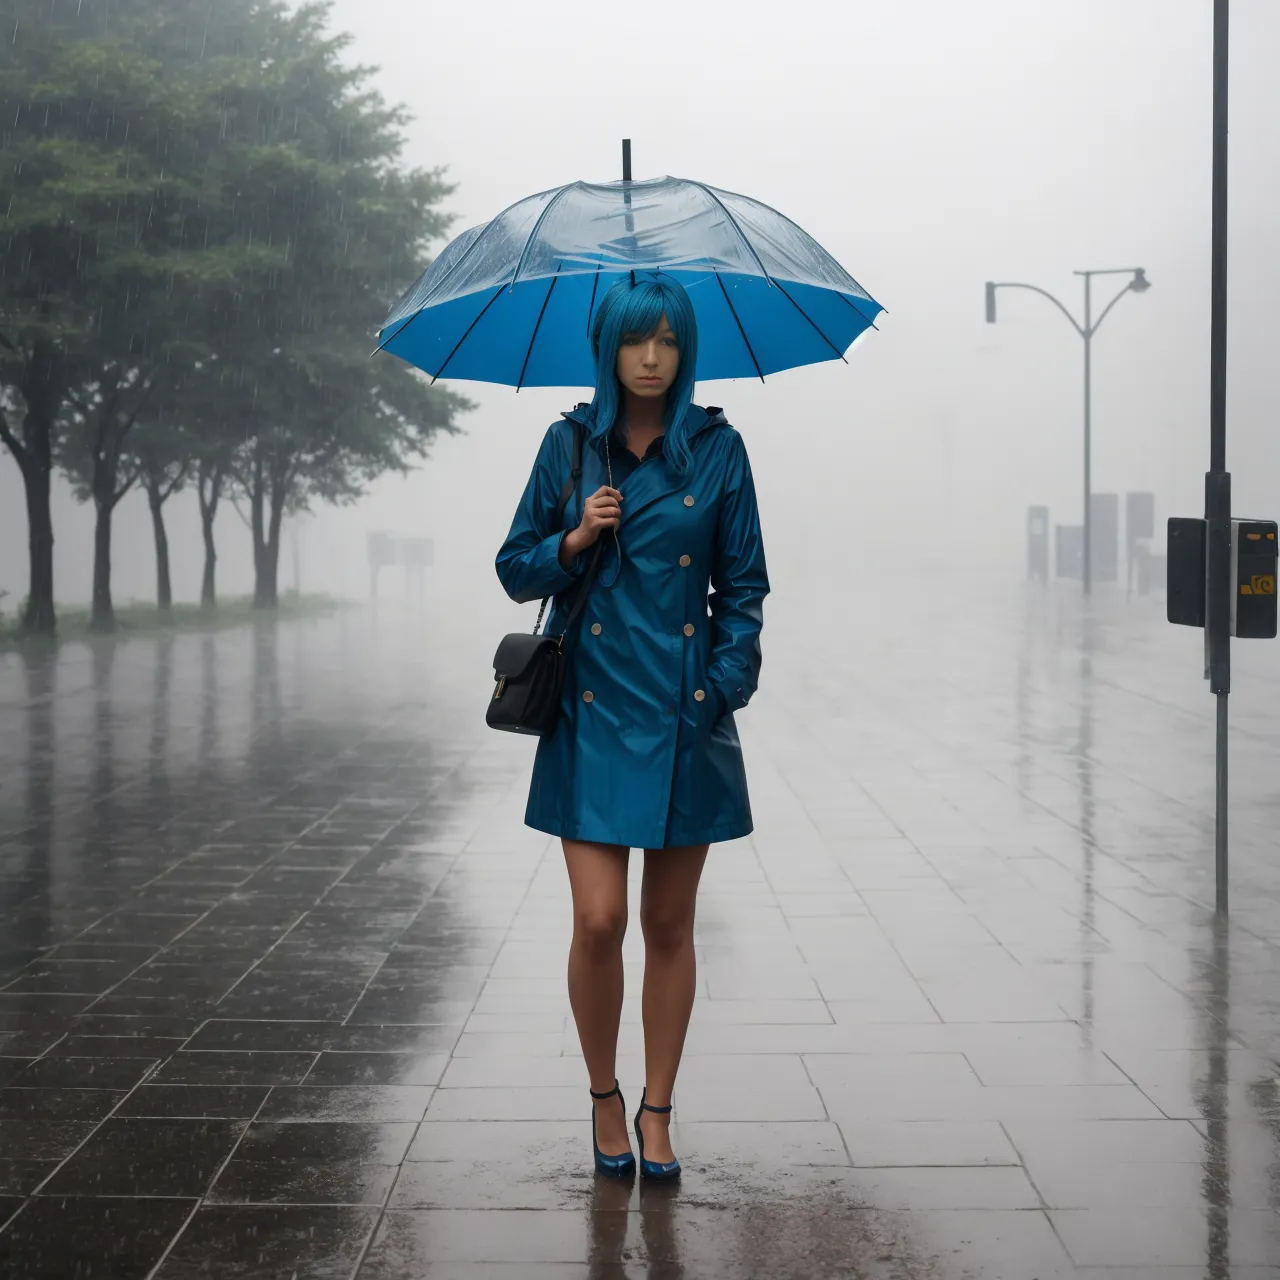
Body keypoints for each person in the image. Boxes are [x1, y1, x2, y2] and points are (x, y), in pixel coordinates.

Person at [496, 272, 769, 1180]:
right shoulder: (569, 446)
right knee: (599, 919)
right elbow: (514, 569)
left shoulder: (718, 451)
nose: (653, 358)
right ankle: (603, 1096)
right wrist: (572, 539)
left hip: (686, 712)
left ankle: (657, 1110)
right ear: (608, 349)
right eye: (634, 341)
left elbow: (745, 589)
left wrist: (719, 688)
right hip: (592, 708)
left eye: (668, 341)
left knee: (669, 925)